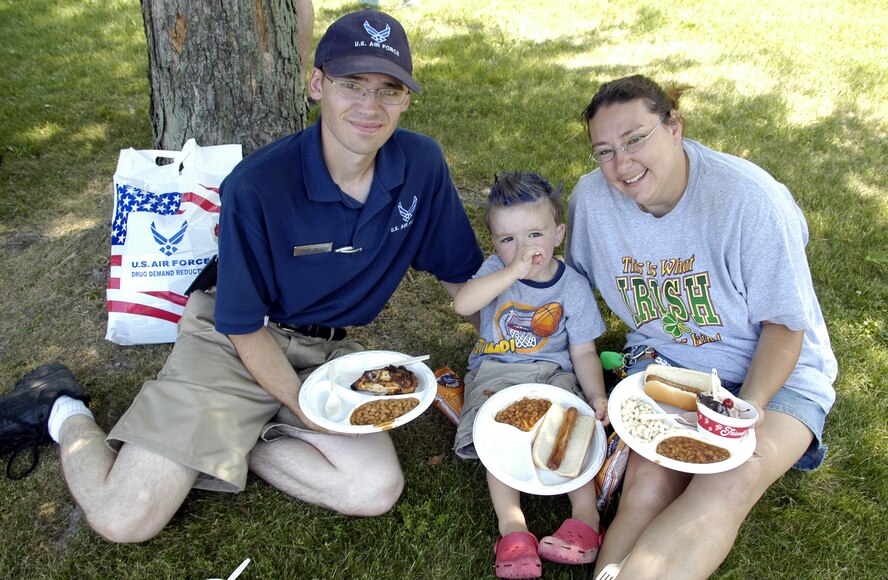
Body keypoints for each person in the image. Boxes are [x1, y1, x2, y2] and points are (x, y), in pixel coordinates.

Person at [0, 9, 482, 543]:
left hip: (324, 355)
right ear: (317, 83)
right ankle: (61, 408)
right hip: (232, 342)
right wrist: (308, 410)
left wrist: (514, 349)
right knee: (123, 519)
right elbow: (241, 323)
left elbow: (461, 275)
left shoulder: (422, 164)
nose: (370, 107)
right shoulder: (257, 185)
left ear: (407, 98)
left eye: (389, 89)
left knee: (373, 490)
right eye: (352, 85)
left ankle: (239, 436)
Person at [565, 74, 837, 579]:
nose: (622, 165)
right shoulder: (592, 204)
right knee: (646, 484)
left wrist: (742, 413)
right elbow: (570, 294)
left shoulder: (749, 201)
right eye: (604, 151)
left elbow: (785, 327)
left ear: (674, 127)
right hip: (671, 368)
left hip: (777, 377)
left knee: (732, 477)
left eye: (635, 139)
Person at [452, 172, 610, 579]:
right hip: (497, 371)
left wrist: (596, 396)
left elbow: (584, 350)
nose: (523, 249)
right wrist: (510, 272)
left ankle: (585, 518)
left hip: (552, 372)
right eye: (508, 240)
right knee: (496, 432)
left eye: (534, 234)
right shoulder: (494, 270)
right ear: (495, 244)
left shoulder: (573, 287)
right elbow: (463, 303)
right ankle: (513, 528)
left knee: (574, 429)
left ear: (558, 233)